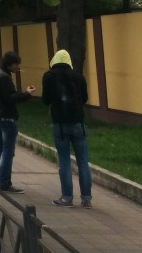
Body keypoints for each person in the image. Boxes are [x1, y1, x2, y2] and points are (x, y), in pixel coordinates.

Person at [42, 49, 92, 209]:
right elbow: (84, 98)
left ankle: (67, 198)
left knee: (64, 160)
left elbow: (46, 99)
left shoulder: (49, 76)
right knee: (83, 161)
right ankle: (86, 199)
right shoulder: (78, 76)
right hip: (78, 123)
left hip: (60, 124)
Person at [0, 51, 35, 193]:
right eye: (16, 64)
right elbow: (11, 98)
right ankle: (4, 182)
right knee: (8, 151)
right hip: (7, 117)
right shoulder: (5, 77)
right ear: (10, 64)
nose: (18, 67)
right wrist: (27, 94)